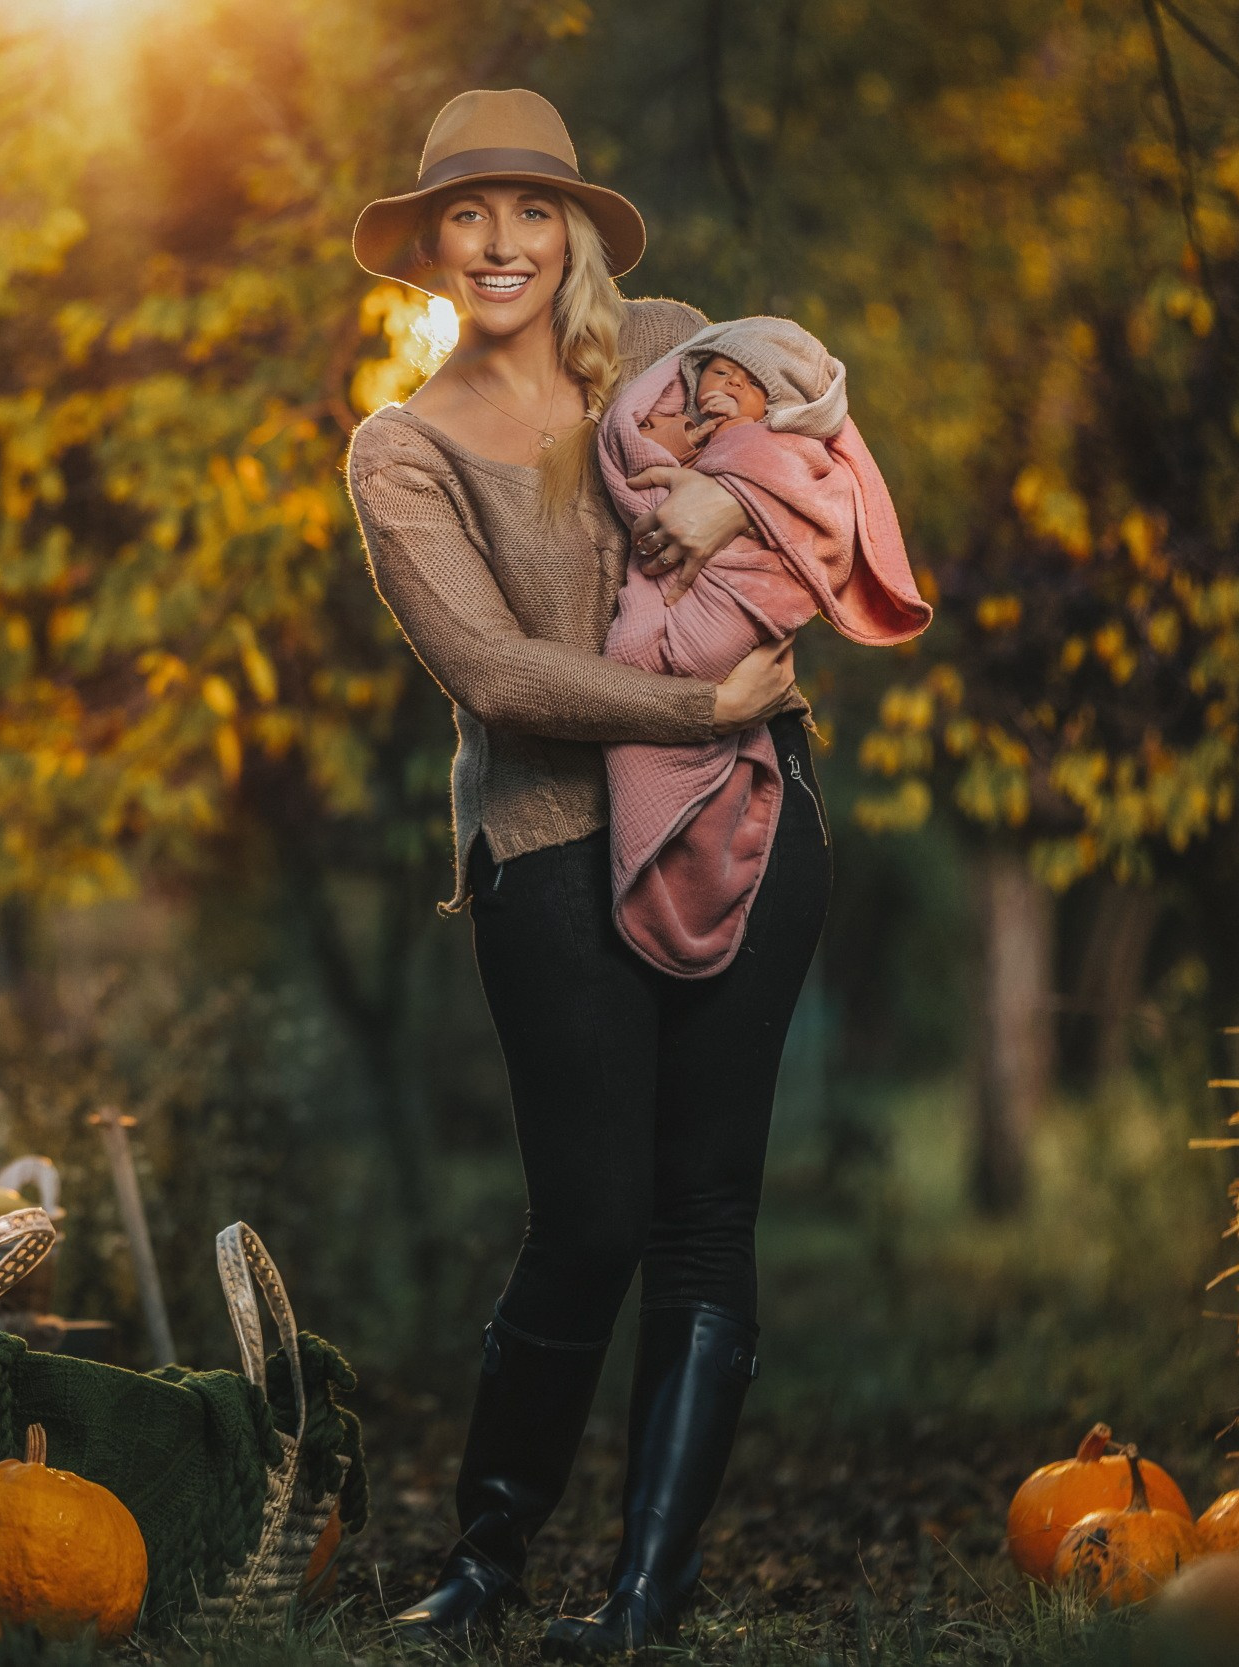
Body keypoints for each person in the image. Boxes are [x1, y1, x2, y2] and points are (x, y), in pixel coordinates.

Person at [343, 87, 839, 1656]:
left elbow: (827, 424)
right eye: (469, 215)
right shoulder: (400, 452)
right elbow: (494, 674)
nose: (503, 241)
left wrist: (738, 490)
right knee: (591, 1217)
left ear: (572, 229)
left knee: (706, 1209)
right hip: (550, 849)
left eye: (531, 208)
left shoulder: (670, 340)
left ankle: (639, 1602)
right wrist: (694, 700)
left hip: (749, 814)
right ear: (428, 247)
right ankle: (489, 1565)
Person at [599, 317, 931, 979]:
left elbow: (825, 493)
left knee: (685, 646)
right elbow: (640, 446)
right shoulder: (677, 403)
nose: (724, 383)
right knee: (638, 639)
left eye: (745, 381)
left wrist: (738, 500)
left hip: (747, 624)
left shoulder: (670, 342)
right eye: (716, 373)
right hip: (677, 658)